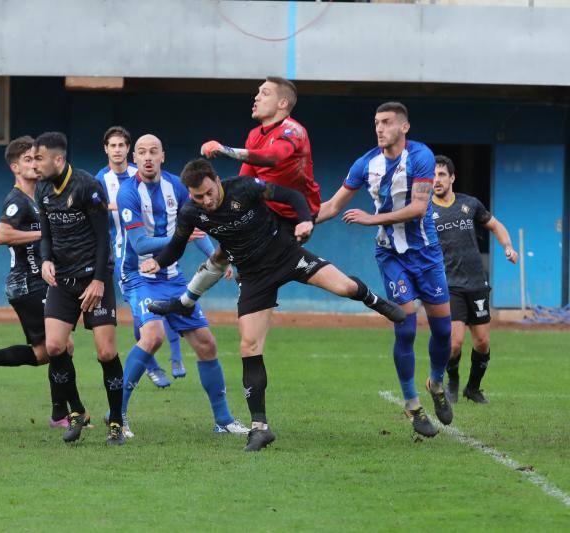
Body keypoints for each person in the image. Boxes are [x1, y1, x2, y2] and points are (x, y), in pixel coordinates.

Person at [142, 158, 403, 451]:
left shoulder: (244, 187)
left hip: (286, 254)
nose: (206, 200)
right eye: (198, 197)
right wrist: (158, 260)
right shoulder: (192, 212)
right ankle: (260, 428)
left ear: (215, 180)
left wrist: (304, 219)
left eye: (208, 192)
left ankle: (375, 301)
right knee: (248, 347)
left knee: (344, 287)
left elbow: (290, 196)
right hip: (253, 278)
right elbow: (177, 245)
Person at [317, 102, 453, 438]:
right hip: (391, 255)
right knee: (405, 328)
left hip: (427, 254)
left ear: (404, 127)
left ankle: (436, 383)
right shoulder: (365, 163)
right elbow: (333, 206)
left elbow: (419, 208)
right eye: (376, 122)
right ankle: (412, 404)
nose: (379, 128)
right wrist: (296, 222)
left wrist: (370, 219)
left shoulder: (421, 157)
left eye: (387, 122)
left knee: (444, 332)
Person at [116, 134, 248, 438]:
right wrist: (178, 239)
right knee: (152, 336)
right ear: (134, 159)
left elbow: (198, 228)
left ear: (163, 156)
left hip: (173, 279)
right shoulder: (128, 193)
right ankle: (117, 416)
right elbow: (138, 244)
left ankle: (223, 420)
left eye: (153, 152)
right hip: (139, 277)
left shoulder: (178, 186)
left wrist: (220, 259)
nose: (148, 157)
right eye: (142, 153)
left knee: (207, 344)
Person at [165, 76, 321, 313]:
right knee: (222, 253)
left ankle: (368, 297)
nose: (257, 97)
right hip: (267, 209)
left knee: (253, 261)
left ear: (282, 103)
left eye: (265, 93)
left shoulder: (293, 130)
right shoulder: (254, 135)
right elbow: (242, 182)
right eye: (258, 92)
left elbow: (273, 157)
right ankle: (186, 302)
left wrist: (225, 150)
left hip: (294, 212)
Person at [0, 136, 78, 428]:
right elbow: (1, 235)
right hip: (27, 283)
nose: (34, 164)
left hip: (37, 283)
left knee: (42, 353)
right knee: (63, 346)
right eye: (27, 160)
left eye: (37, 159)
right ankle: (63, 415)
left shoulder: (38, 197)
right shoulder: (16, 201)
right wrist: (43, 235)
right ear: (14, 167)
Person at [34, 131, 125, 446]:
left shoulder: (87, 186)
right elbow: (45, 233)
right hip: (62, 281)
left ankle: (116, 420)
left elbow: (104, 238)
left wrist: (99, 280)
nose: (34, 165)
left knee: (106, 352)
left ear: (58, 159)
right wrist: (45, 260)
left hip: (94, 278)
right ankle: (77, 412)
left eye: (39, 159)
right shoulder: (43, 188)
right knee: (55, 347)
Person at [94, 126, 184, 383]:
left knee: (160, 305)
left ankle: (172, 357)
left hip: (151, 248)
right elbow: (95, 210)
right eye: (113, 145)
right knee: (141, 312)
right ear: (106, 150)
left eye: (122, 145)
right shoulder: (101, 180)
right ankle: (152, 364)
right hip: (121, 253)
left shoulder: (141, 174)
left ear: (128, 151)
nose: (118, 150)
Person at [432, 155, 518, 404]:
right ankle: (453, 380)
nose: (436, 180)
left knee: (482, 342)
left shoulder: (470, 204)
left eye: (441, 175)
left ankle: (473, 388)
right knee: (454, 343)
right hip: (450, 285)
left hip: (477, 283)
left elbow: (496, 225)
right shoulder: (426, 210)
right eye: (433, 175)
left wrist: (508, 247)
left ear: (452, 178)